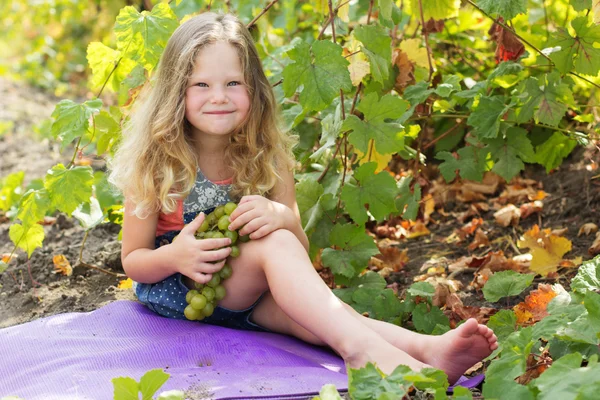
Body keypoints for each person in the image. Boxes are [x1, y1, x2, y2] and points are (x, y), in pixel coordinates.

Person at [108, 11, 497, 384]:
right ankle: (361, 353)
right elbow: (133, 261)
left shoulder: (267, 154)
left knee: (318, 314)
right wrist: (175, 256)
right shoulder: (156, 161)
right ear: (177, 90)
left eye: (233, 83)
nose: (219, 97)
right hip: (185, 291)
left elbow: (300, 251)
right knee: (283, 259)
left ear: (254, 88)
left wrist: (284, 216)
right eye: (201, 85)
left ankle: (426, 350)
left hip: (249, 294)